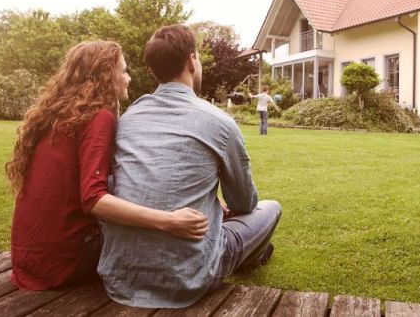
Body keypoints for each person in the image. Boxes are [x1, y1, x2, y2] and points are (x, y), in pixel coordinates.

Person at [98, 25, 282, 309]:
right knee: (270, 208)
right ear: (192, 60)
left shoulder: (129, 118)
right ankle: (254, 254)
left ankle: (252, 250)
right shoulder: (219, 122)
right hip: (189, 278)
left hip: (120, 278)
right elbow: (244, 202)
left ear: (151, 70)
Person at [8, 40, 208, 290]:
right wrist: (169, 220)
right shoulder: (97, 117)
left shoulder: (59, 115)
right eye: (123, 71)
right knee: (160, 239)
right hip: (64, 263)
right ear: (106, 76)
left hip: (29, 259)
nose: (128, 78)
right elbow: (94, 199)